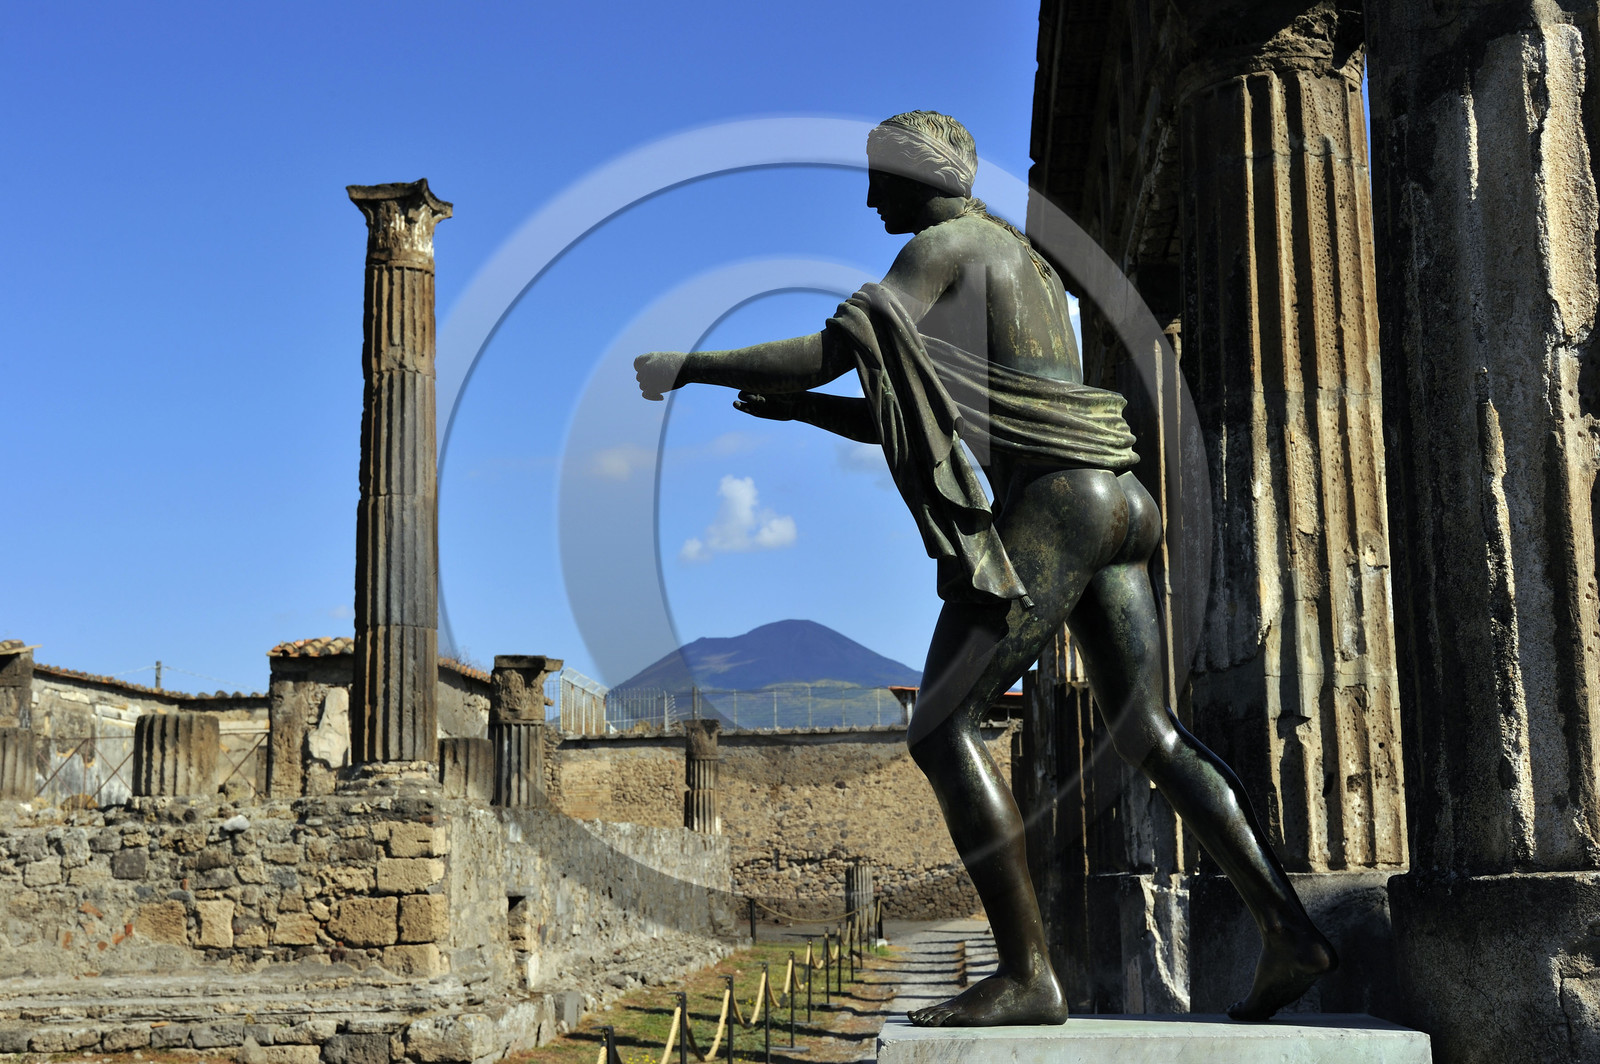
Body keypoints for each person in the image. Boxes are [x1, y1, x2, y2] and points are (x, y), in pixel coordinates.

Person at [634, 110, 1336, 1027]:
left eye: (877, 175)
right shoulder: (1023, 261)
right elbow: (952, 413)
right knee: (1149, 732)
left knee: (939, 728)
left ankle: (1026, 973)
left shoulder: (945, 245)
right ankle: (1290, 931)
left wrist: (687, 364)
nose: (869, 194)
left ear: (914, 175)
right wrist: (809, 419)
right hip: (1119, 498)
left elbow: (824, 354)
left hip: (1058, 504)